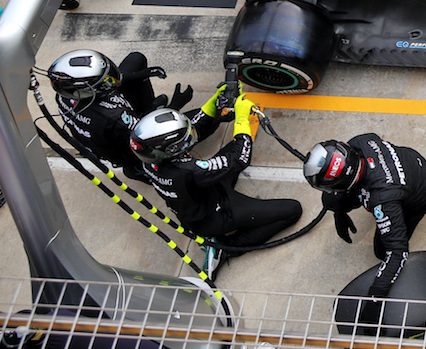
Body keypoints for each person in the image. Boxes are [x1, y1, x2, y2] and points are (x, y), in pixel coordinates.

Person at [130, 85, 303, 277]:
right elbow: (240, 159)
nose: (190, 139)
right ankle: (226, 248)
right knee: (292, 210)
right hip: (216, 216)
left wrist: (211, 105)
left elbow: (194, 129)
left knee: (235, 146)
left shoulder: (149, 159)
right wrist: (242, 119)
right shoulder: (188, 170)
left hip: (201, 195)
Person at [303, 135, 426, 323]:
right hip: (407, 162)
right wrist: (339, 212)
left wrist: (374, 299)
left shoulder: (383, 199)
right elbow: (336, 196)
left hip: (415, 191)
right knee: (331, 200)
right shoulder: (360, 142)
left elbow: (397, 252)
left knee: (382, 250)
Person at [47, 48, 193, 179]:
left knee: (136, 59)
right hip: (120, 144)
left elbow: (114, 82)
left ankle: (149, 108)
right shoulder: (113, 117)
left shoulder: (65, 93)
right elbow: (143, 135)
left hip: (104, 130)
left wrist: (140, 75)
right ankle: (135, 169)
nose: (111, 79)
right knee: (188, 126)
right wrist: (175, 105)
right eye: (105, 80)